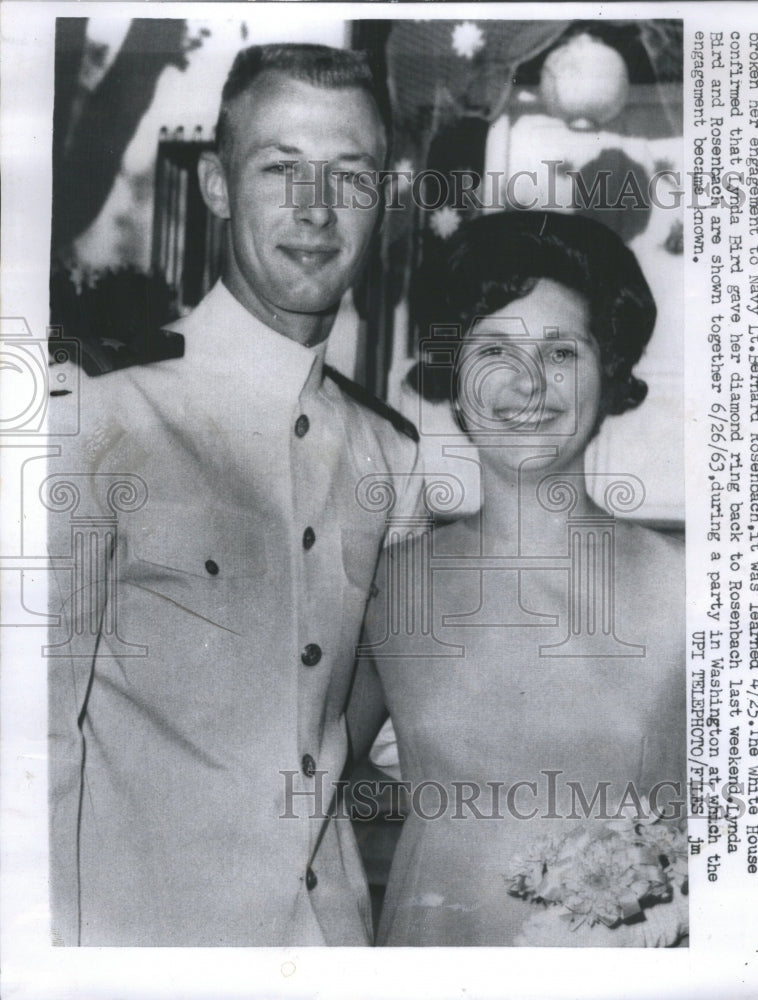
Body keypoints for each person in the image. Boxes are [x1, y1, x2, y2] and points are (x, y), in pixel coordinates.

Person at [47, 43, 419, 946]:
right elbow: (30, 752)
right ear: (215, 185)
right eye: (281, 169)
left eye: (349, 174)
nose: (316, 211)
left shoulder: (389, 455)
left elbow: (404, 731)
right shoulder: (94, 411)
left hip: (327, 945)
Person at [349, 210, 688, 947]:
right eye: (492, 349)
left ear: (610, 371)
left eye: (561, 350)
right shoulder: (384, 591)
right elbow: (307, 784)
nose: (527, 382)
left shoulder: (689, 590)